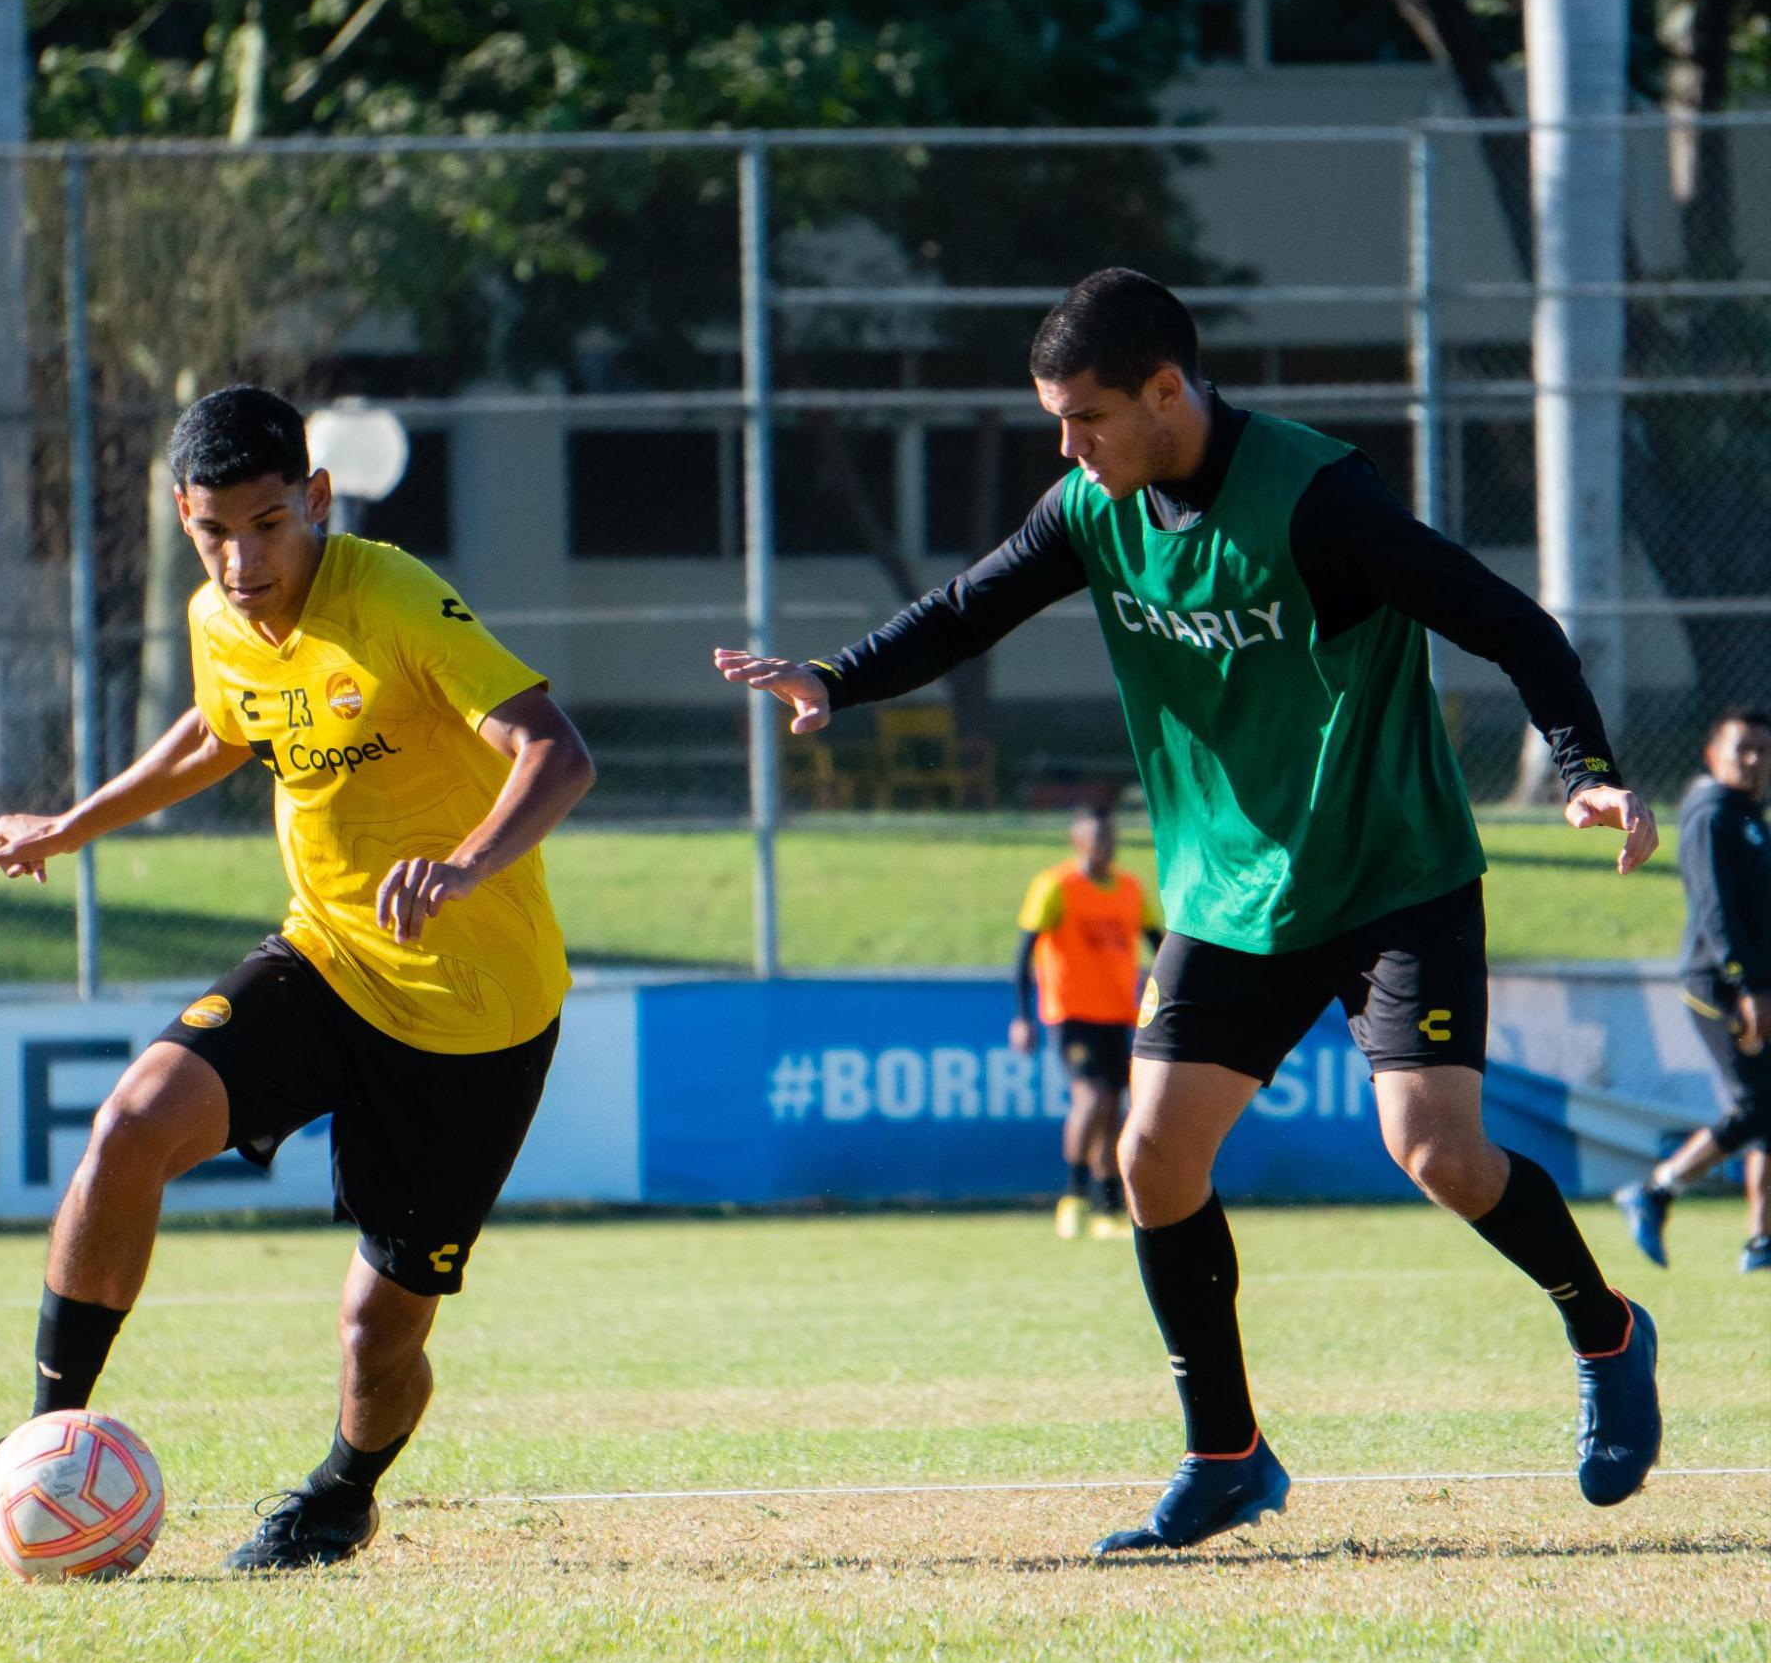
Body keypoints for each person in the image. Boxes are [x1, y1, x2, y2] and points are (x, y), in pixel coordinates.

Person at [716, 266, 1663, 1556]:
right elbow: (965, 609)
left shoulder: (1317, 499)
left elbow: (1512, 624)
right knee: (1151, 1156)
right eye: (1056, 420)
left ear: (1165, 390)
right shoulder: (1090, 508)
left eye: (1085, 418)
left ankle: (1604, 1329)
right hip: (1228, 890)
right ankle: (1224, 1453)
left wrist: (1583, 769)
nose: (1067, 447)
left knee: (1435, 1150)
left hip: (1390, 871)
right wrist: (836, 678)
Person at [0, 384, 594, 1571]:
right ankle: (41, 1436)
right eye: (212, 533)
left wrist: (463, 866)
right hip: (326, 955)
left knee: (376, 1329)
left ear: (315, 499)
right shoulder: (219, 617)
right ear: (185, 521)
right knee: (129, 1124)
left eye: (268, 524)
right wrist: (69, 825)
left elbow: (555, 748)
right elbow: (216, 728)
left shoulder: (391, 598)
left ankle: (337, 1496)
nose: (242, 561)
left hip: (472, 1017)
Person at [1615, 708, 1771, 1275]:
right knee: (1757, 1105)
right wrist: (1748, 984)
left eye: (1763, 750)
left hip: (1755, 985)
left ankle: (1761, 1240)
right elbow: (1715, 909)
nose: (1753, 760)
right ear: (1712, 755)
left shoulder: (1748, 816)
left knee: (1767, 1105)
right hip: (1721, 987)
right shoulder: (1710, 814)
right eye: (1741, 748)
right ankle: (1655, 1190)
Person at [1010, 802, 1159, 1238]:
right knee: (1090, 1098)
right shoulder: (1056, 886)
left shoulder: (1130, 889)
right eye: (1097, 839)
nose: (1106, 847)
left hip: (1119, 1013)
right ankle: (1072, 1199)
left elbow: (1160, 944)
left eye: (1110, 838)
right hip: (1072, 1013)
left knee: (1114, 1107)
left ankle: (1107, 1208)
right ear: (1077, 842)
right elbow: (1024, 954)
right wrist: (1022, 1017)